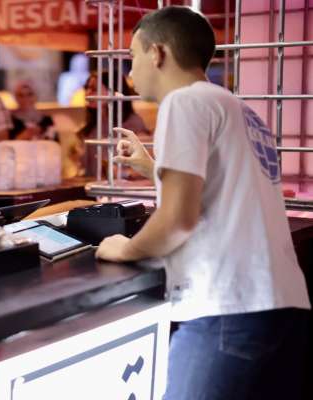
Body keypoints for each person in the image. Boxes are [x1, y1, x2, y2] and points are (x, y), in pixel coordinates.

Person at [95, 6, 310, 399]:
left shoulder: (182, 102)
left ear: (157, 53)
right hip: (282, 306)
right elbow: (223, 187)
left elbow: (178, 219)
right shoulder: (238, 109)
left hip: (226, 306)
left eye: (133, 56)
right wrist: (152, 166)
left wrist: (125, 248)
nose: (130, 71)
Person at [77, 70, 149, 178]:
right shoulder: (92, 125)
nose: (87, 93)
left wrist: (123, 173)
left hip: (121, 186)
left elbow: (145, 166)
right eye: (86, 88)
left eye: (94, 89)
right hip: (92, 184)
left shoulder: (133, 124)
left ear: (113, 92)